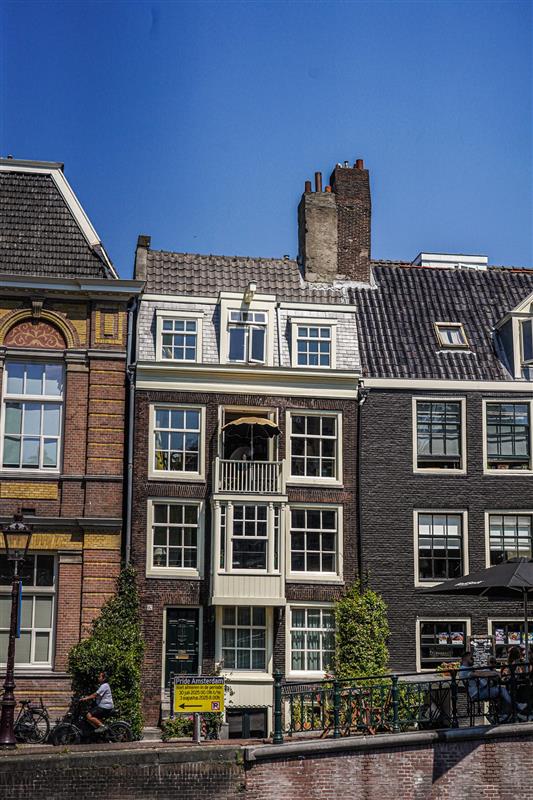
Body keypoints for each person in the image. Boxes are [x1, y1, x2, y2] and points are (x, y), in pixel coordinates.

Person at [458, 652, 526, 716]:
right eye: (471, 658)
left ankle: (504, 713)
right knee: (502, 690)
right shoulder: (464, 670)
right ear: (465, 659)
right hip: (477, 694)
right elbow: (478, 673)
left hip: (479, 691)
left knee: (499, 689)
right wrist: (495, 673)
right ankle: (516, 707)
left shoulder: (466, 669)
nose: (473, 659)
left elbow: (478, 673)